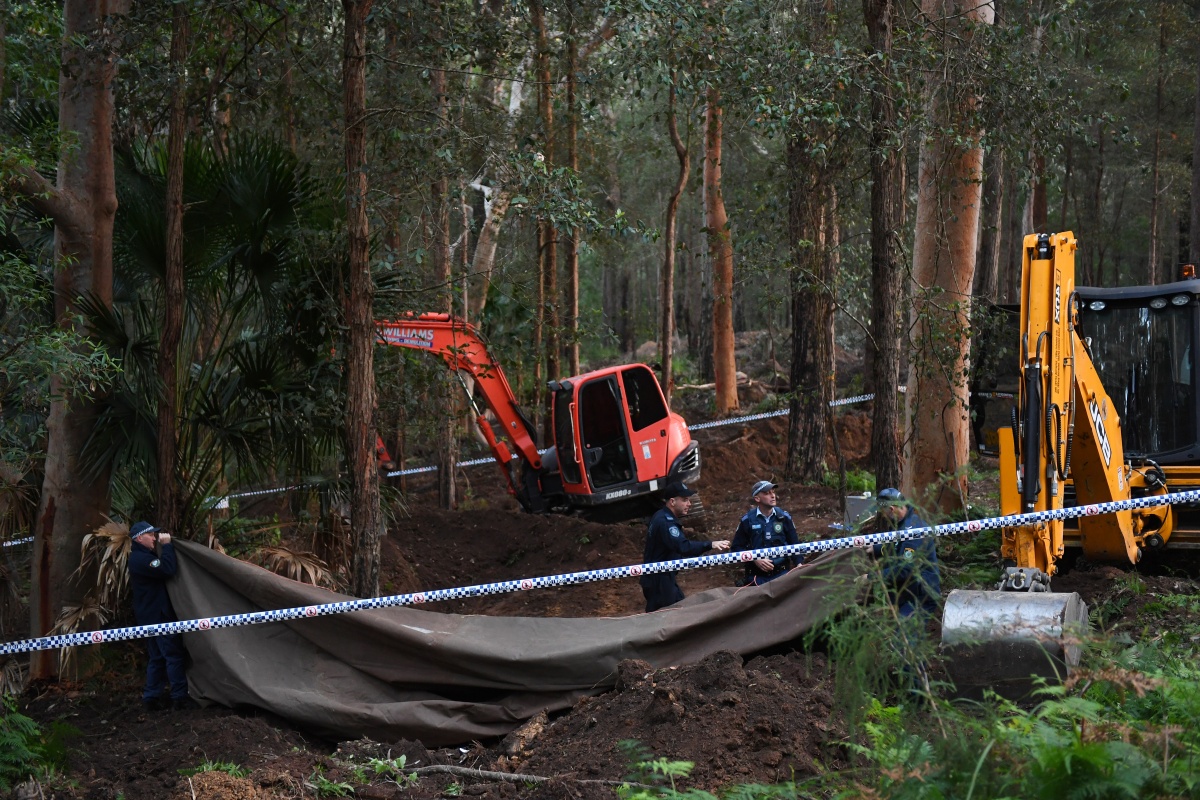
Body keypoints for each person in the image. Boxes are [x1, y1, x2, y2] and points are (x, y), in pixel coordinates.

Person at [128, 520, 196, 711]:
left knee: (157, 657)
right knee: (172, 655)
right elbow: (167, 568)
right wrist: (167, 547)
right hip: (158, 616)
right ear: (140, 538)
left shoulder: (140, 557)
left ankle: (151, 698)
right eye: (151, 535)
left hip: (149, 616)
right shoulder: (141, 559)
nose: (155, 538)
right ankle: (179, 698)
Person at [640, 483, 730, 612]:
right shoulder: (666, 522)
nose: (689, 504)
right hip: (659, 580)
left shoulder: (661, 516)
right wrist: (710, 544)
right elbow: (683, 547)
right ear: (672, 501)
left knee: (679, 610)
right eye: (684, 500)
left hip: (662, 577)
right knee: (667, 618)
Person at [871, 488, 941, 619]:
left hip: (921, 595)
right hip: (908, 592)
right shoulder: (900, 524)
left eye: (883, 513)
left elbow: (905, 569)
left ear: (891, 509)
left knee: (905, 635)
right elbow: (894, 548)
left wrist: (872, 577)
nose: (884, 517)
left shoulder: (914, 530)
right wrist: (875, 548)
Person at [731, 480, 800, 586]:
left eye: (773, 492)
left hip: (782, 575)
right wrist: (754, 558)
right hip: (756, 577)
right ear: (757, 499)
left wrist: (799, 564)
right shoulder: (747, 520)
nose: (773, 496)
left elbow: (795, 544)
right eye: (767, 493)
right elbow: (736, 548)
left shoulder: (784, 517)